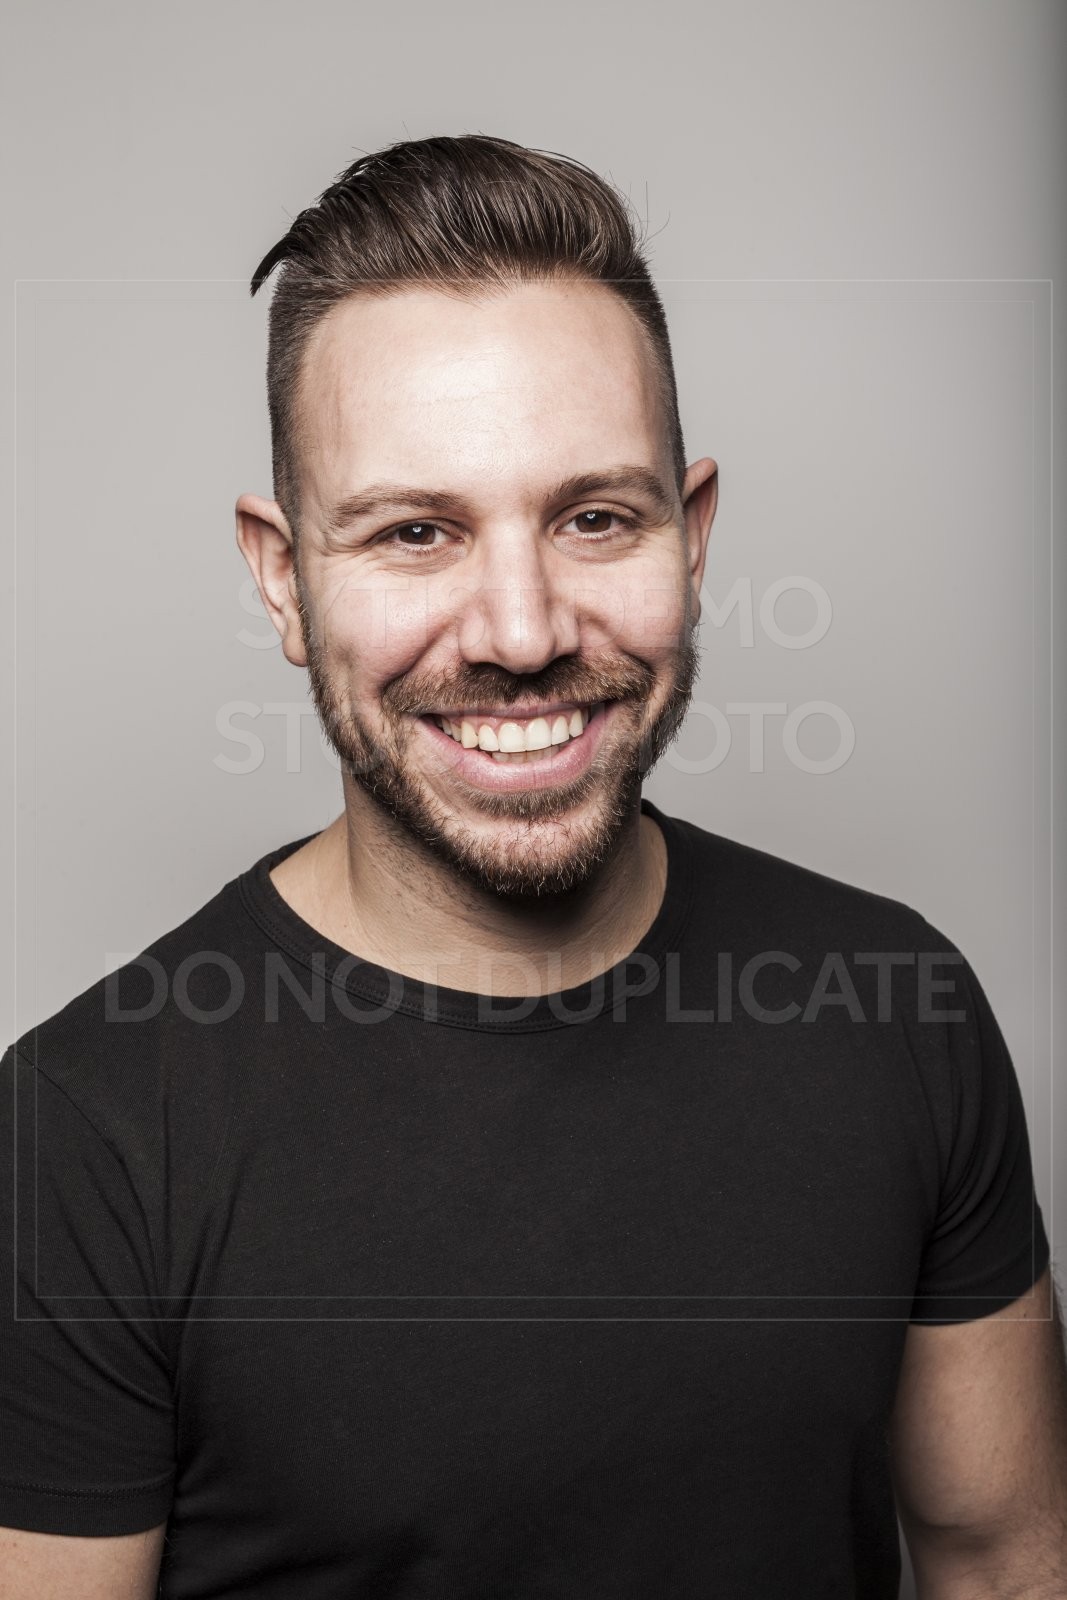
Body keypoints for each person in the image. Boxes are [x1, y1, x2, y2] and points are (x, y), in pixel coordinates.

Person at [1, 133, 1065, 1599]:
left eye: (594, 518)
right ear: (283, 577)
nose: (519, 630)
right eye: (417, 532)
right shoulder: (83, 1142)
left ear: (691, 541)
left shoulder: (901, 1009)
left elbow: (1001, 1562)